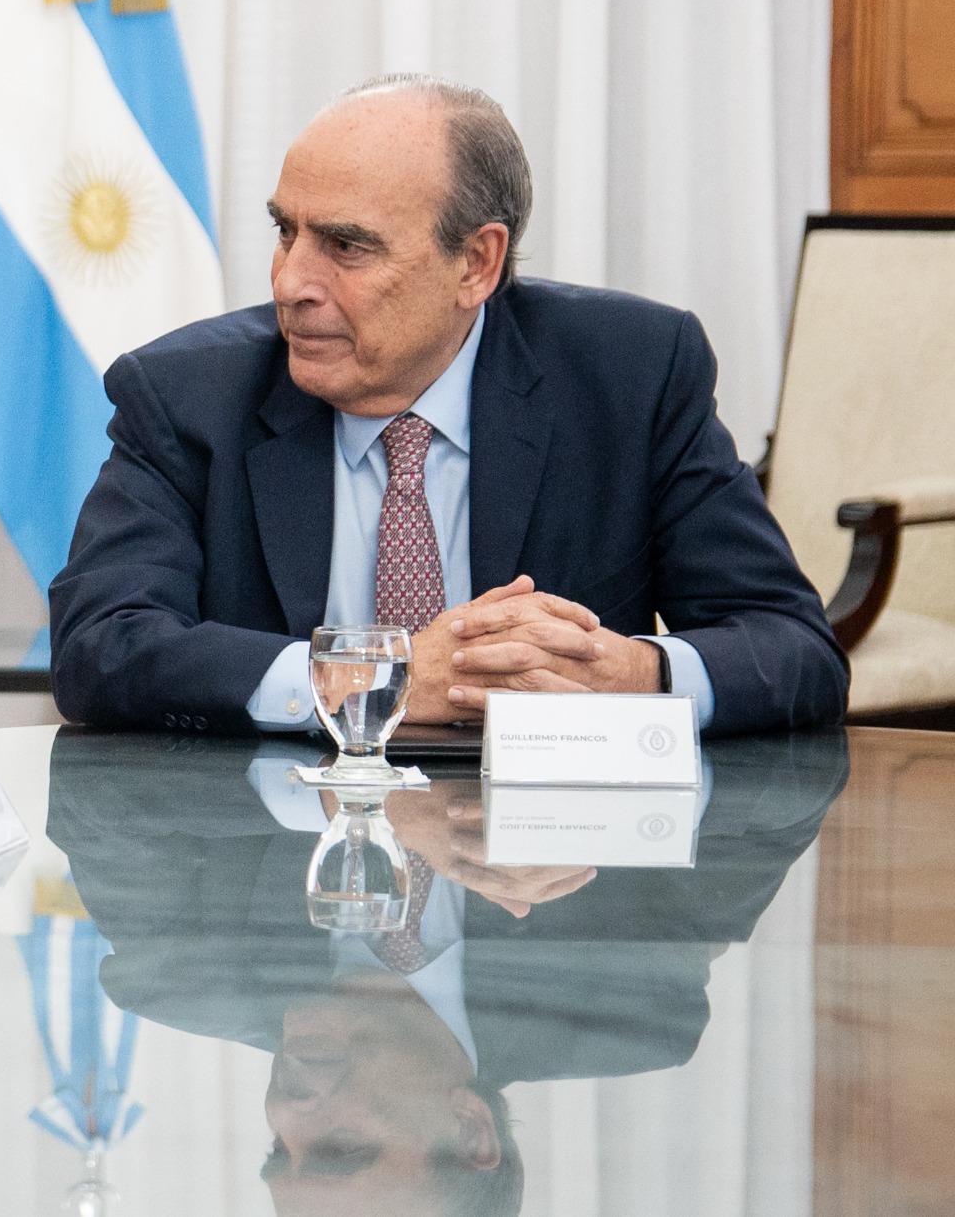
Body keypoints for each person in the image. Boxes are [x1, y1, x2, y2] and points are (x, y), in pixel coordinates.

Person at [49, 76, 847, 738]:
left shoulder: (631, 376)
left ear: (476, 263)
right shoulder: (187, 395)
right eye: (286, 232)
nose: (292, 281)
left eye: (346, 246)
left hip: (552, 891)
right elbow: (100, 647)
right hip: (273, 872)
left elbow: (794, 647)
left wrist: (640, 673)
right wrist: (366, 680)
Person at [44, 728, 847, 1217]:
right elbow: (780, 789)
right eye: (338, 1149)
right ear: (470, 1131)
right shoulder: (631, 1007)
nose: (285, 1109)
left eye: (278, 1149)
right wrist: (638, 673)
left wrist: (337, 798)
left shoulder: (180, 974)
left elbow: (96, 786)